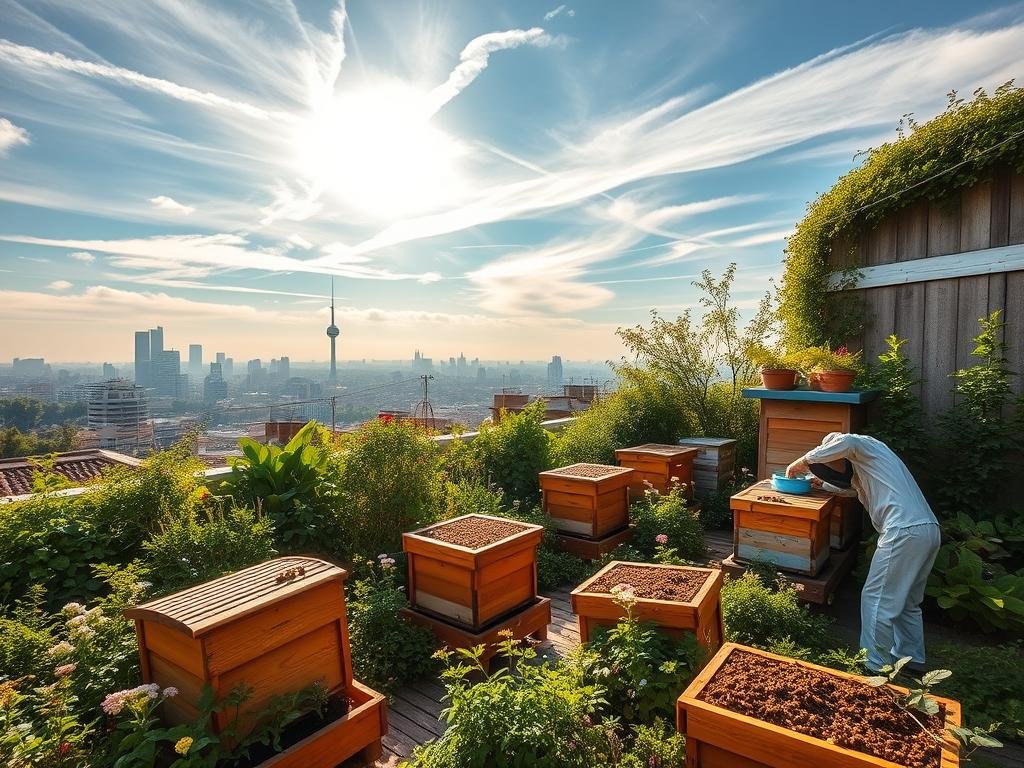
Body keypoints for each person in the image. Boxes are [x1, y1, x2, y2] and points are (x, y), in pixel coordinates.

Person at [785, 432, 940, 673]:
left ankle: (874, 667)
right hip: (928, 529)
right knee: (908, 601)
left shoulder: (862, 443)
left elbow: (848, 442)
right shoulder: (874, 463)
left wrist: (802, 462)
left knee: (876, 599)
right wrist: (822, 484)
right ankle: (912, 659)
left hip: (903, 530)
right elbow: (857, 490)